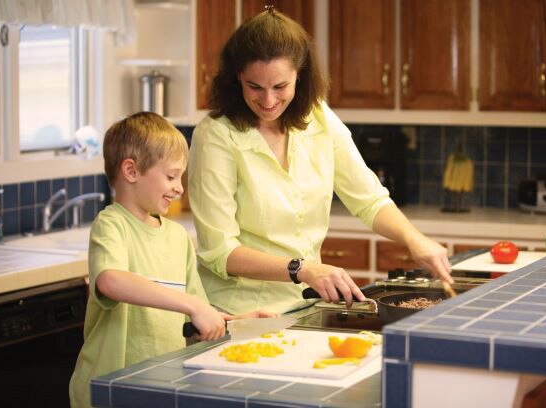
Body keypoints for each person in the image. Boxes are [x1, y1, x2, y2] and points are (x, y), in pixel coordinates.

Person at [187, 7, 452, 315]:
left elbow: (368, 200)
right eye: (254, 87)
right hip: (238, 313)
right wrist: (303, 269)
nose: (269, 101)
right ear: (237, 79)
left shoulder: (318, 117)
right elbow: (220, 252)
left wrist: (414, 239)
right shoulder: (216, 136)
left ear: (300, 76)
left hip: (306, 306)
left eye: (280, 86)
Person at [69, 112, 273, 408]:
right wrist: (194, 306)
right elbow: (111, 280)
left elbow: (196, 316)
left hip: (159, 386)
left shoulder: (178, 238)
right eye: (170, 176)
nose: (179, 187)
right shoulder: (112, 224)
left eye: (180, 176)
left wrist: (239, 323)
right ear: (131, 171)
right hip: (110, 390)